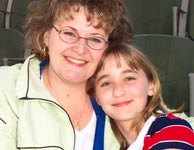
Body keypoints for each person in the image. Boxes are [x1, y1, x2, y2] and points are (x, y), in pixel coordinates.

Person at [0, 0, 132, 149]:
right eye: (69, 33)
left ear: (108, 48)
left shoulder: (124, 98)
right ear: (46, 36)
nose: (80, 49)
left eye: (95, 39)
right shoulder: (5, 88)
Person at [87, 42, 194, 150]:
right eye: (106, 83)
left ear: (151, 86)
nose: (118, 91)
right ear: (97, 98)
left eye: (129, 78)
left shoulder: (172, 130)